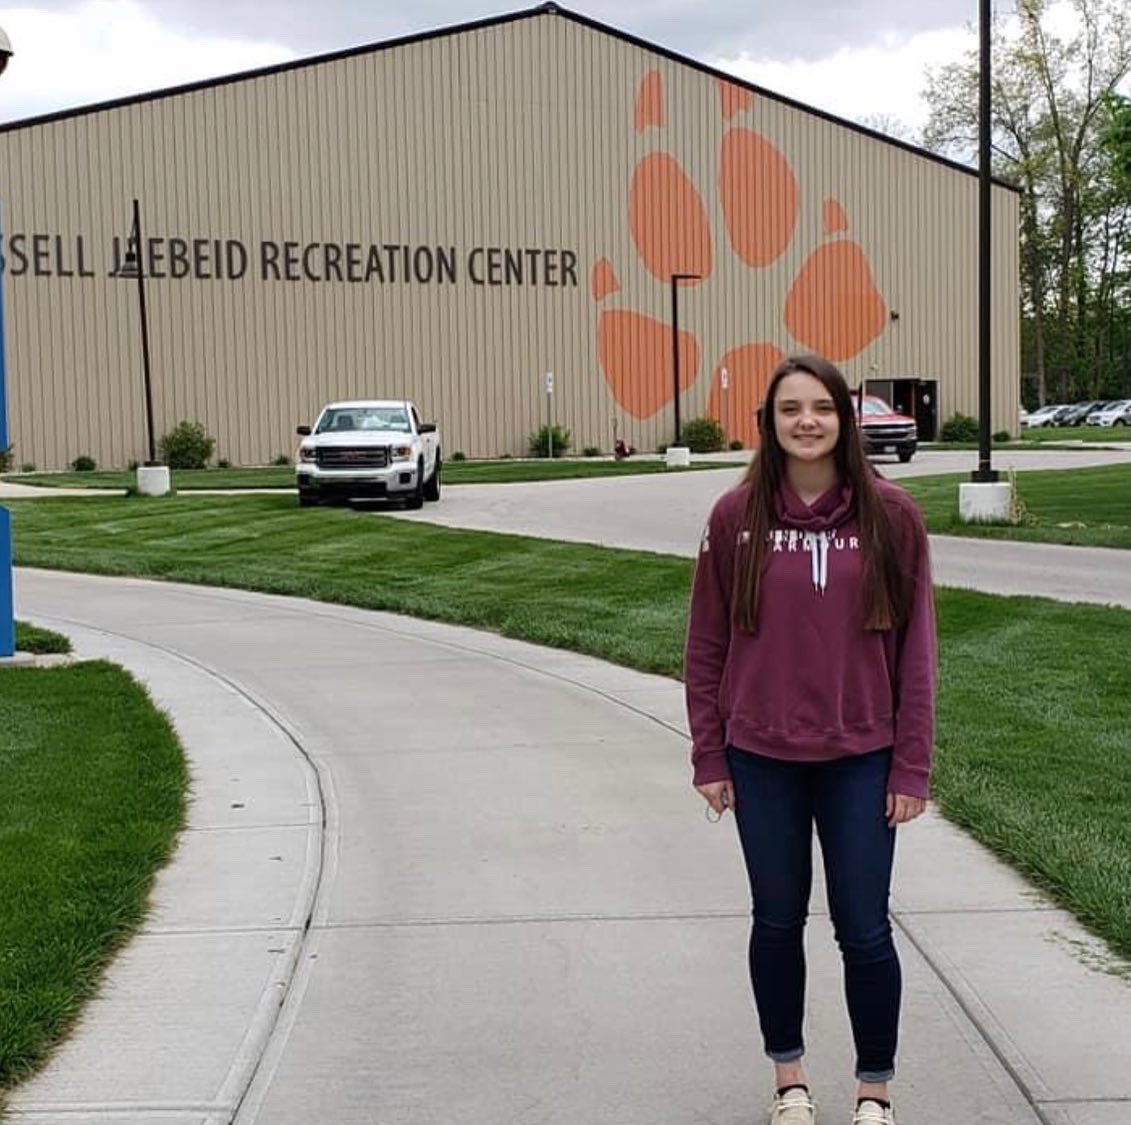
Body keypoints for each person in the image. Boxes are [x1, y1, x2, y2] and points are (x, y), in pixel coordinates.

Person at [684, 354, 936, 1125]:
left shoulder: (891, 515)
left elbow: (916, 650)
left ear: (844, 419)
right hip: (761, 758)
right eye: (789, 408)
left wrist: (910, 765)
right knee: (775, 920)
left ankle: (873, 1090)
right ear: (768, 422)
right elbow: (706, 643)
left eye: (821, 407)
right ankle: (788, 1080)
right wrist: (708, 752)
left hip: (862, 757)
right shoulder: (735, 517)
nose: (806, 421)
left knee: (864, 928)